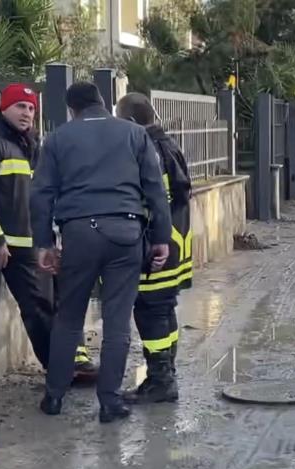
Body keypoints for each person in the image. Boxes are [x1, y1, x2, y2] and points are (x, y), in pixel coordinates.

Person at [30, 82, 172, 423]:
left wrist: (43, 244)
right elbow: (154, 188)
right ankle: (110, 403)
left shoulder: (58, 139)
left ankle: (54, 396)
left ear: (71, 109)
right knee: (117, 322)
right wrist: (161, 237)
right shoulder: (134, 135)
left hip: (78, 233)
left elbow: (40, 195)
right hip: (125, 232)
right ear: (103, 103)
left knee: (68, 317)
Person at [0, 83, 97, 377]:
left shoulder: (31, 145)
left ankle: (77, 358)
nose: (27, 113)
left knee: (65, 296)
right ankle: (60, 368)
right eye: (20, 106)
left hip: (36, 241)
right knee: (38, 307)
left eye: (31, 108)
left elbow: (46, 194)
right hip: (9, 244)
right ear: (4, 108)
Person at [114, 92, 193, 404]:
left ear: (131, 122)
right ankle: (166, 373)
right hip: (177, 241)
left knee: (150, 310)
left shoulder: (146, 149)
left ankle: (161, 380)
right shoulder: (169, 144)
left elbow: (151, 199)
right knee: (164, 308)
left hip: (156, 246)